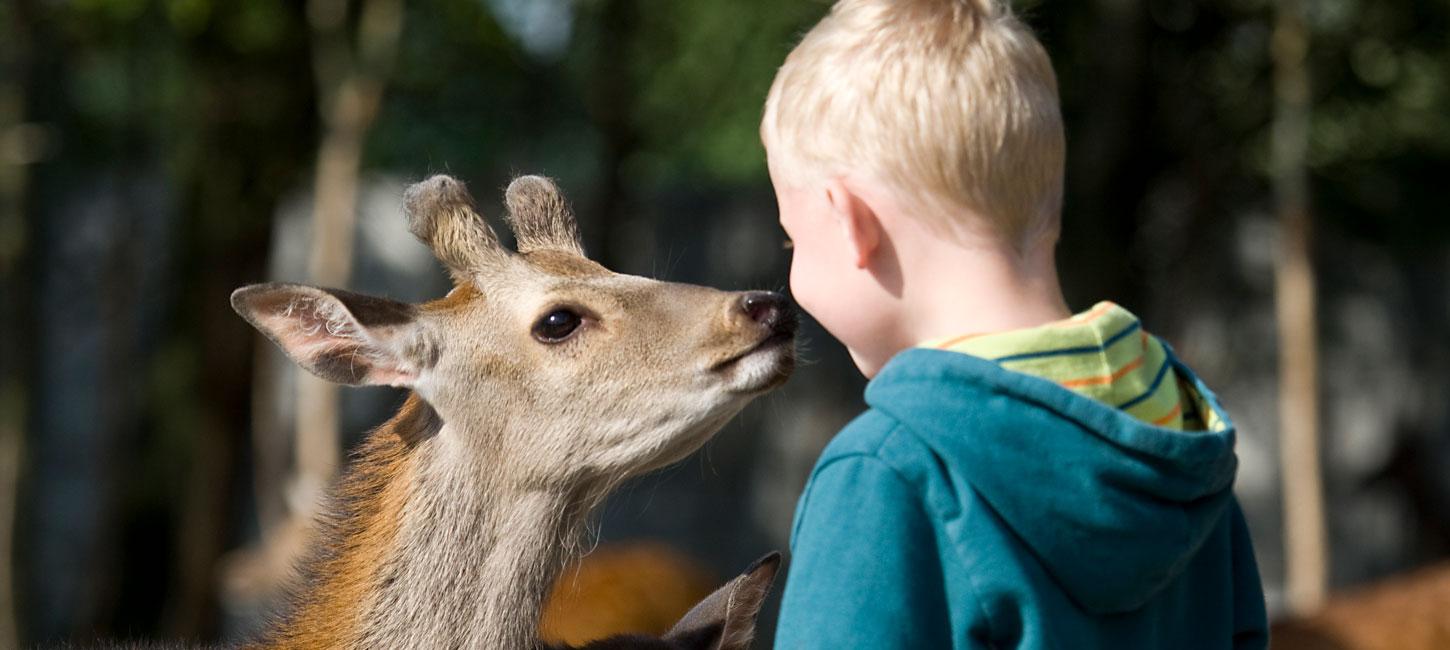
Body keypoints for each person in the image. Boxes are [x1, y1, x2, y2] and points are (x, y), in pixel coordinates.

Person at [760, 0, 1269, 647]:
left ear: (849, 221)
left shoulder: (886, 475)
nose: (792, 274)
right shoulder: (1183, 447)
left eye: (790, 241)